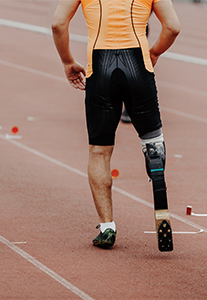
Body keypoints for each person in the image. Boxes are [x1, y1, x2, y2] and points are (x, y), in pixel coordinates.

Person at [52, 0, 180, 249]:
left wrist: (67, 61)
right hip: (138, 65)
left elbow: (58, 24)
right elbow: (173, 27)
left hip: (100, 68)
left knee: (99, 151)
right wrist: (154, 53)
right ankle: (158, 187)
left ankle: (107, 227)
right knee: (152, 139)